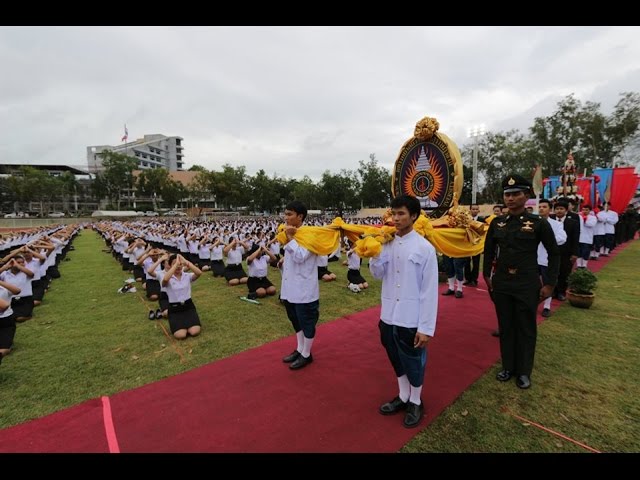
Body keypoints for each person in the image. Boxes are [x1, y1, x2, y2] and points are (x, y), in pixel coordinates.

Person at [483, 174, 560, 390]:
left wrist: (549, 284)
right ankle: (508, 367)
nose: (511, 198)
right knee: (506, 326)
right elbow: (488, 251)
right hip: (503, 283)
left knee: (526, 328)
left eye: (516, 194)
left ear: (526, 195)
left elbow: (554, 254)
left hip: (527, 283)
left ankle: (524, 371)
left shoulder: (538, 223)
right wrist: (486, 275)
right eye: (507, 194)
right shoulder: (498, 223)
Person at [369, 194, 438, 428]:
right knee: (395, 357)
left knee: (413, 360)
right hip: (388, 313)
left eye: (401, 214)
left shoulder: (425, 248)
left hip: (411, 316)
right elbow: (377, 275)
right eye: (394, 213)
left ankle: (416, 401)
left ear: (414, 216)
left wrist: (426, 328)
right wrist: (374, 253)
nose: (396, 218)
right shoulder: (386, 242)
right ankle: (403, 395)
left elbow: (429, 292)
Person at [279, 200, 320, 370]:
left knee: (307, 321)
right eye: (285, 214)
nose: (286, 217)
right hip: (290, 287)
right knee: (295, 319)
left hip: (304, 288)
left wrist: (289, 238)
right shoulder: (292, 233)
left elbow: (301, 256)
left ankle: (307, 354)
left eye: (290, 214)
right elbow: (291, 257)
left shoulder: (310, 234)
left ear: (300, 216)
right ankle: (299, 349)